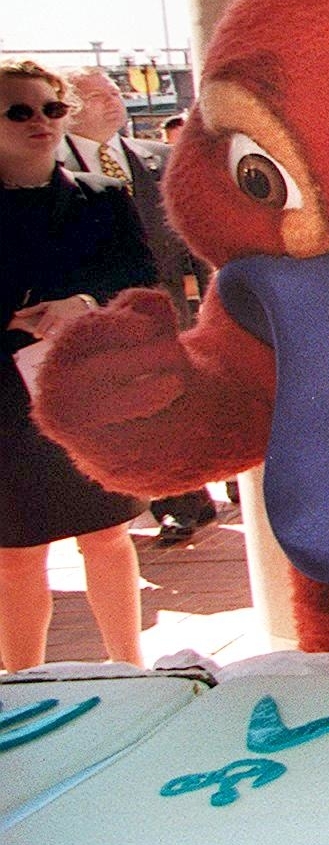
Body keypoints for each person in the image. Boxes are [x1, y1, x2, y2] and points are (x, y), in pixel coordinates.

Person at [0, 60, 153, 669]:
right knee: (15, 555)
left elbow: (143, 287)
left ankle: (131, 667)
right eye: (19, 110)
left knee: (109, 536)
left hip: (86, 390)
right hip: (6, 402)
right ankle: (23, 685)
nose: (40, 121)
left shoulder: (105, 198)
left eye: (51, 108)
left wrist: (85, 304)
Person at [56, 67, 215, 542]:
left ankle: (183, 498)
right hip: (93, 315)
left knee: (172, 400)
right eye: (97, 94)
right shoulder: (53, 172)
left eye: (113, 91)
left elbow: (195, 234)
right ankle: (155, 498)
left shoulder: (161, 158)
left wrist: (210, 299)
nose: (113, 100)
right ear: (70, 108)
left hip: (165, 306)